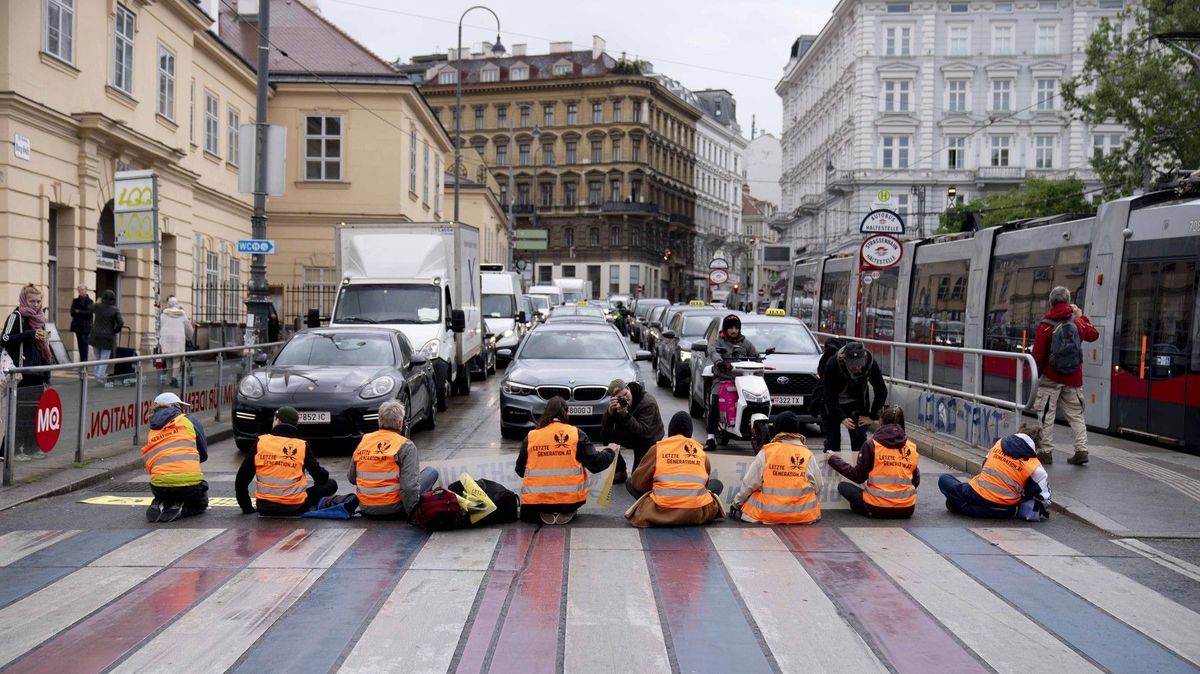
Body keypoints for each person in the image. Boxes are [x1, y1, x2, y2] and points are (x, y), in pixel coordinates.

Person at [516, 397, 618, 525]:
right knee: (566, 502)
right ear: (566, 412)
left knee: (538, 507)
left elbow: (520, 470)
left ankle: (547, 511)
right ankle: (563, 511)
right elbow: (596, 464)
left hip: (536, 502)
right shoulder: (577, 434)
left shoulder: (531, 437)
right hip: (569, 500)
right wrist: (610, 451)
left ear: (546, 412)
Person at [1032, 286, 1099, 465]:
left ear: (1051, 301)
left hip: (1050, 379)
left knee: (1047, 415)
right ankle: (1081, 450)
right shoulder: (1077, 322)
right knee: (1076, 415)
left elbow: (1038, 355)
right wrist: (1080, 316)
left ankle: (1045, 452)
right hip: (1073, 378)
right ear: (1068, 301)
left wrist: (1035, 376)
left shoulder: (1045, 325)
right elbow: (1094, 334)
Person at [626, 411, 724, 527]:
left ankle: (660, 509)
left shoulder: (658, 448)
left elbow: (638, 483)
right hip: (696, 512)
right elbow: (705, 485)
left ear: (671, 430)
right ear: (690, 432)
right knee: (717, 484)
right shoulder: (699, 450)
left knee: (630, 482)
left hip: (661, 510)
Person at [235, 406, 338, 516]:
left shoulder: (261, 442)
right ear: (295, 424)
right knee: (331, 484)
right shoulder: (301, 446)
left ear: (277, 421)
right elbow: (320, 477)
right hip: (295, 507)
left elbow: (242, 479)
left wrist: (247, 508)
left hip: (265, 507)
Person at [938, 424, 1051, 521]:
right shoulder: (1035, 465)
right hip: (1006, 510)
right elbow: (1044, 498)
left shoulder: (1000, 444)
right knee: (977, 504)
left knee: (945, 479)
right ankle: (965, 506)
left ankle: (960, 504)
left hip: (977, 495)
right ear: (1036, 446)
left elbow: (985, 466)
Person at [348, 399, 438, 520]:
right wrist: (414, 515)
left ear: (379, 420)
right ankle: (423, 507)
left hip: (365, 507)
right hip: (394, 508)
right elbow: (409, 487)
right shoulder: (405, 445)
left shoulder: (365, 440)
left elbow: (352, 478)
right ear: (400, 423)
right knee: (430, 472)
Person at [826, 405, 920, 519]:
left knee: (843, 487)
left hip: (877, 506)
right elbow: (915, 481)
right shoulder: (911, 447)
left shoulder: (872, 445)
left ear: (881, 421)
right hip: (907, 509)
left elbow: (857, 476)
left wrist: (833, 459)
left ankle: (867, 510)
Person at [730, 411, 822, 525]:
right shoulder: (807, 454)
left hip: (768, 513)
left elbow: (749, 483)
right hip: (803, 515)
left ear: (777, 429)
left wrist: (736, 503)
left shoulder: (767, 452)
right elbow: (819, 486)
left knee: (752, 494)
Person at [141, 392, 209, 522]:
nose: (183, 410)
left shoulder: (153, 429)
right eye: (181, 407)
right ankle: (181, 509)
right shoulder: (188, 420)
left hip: (158, 485)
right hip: (189, 485)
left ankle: (161, 501)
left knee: (168, 487)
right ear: (175, 406)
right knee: (201, 502)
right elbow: (203, 453)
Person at [3, 285, 54, 458]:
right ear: (24, 300)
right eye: (32, 301)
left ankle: (31, 448)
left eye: (38, 301)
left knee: (35, 413)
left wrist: (47, 374)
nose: (35, 305)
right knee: (19, 413)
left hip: (37, 371)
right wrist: (30, 334)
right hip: (21, 372)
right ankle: (11, 450)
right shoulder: (16, 316)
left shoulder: (40, 319)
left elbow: (45, 349)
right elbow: (4, 339)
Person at [821, 341, 887, 453]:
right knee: (833, 442)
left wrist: (872, 416)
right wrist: (841, 417)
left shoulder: (870, 364)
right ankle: (831, 466)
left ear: (864, 359)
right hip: (834, 403)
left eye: (859, 365)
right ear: (845, 360)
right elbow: (828, 395)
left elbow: (881, 389)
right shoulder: (832, 364)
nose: (857, 369)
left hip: (856, 403)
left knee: (860, 440)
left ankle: (859, 468)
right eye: (853, 366)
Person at [706, 314, 759, 451]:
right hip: (722, 379)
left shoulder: (745, 343)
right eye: (731, 328)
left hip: (743, 380)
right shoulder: (718, 342)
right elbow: (712, 352)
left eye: (736, 328)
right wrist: (721, 362)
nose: (734, 330)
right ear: (725, 329)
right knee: (715, 403)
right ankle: (711, 437)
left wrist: (759, 367)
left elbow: (756, 356)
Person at [600, 378, 664, 484]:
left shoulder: (647, 402)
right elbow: (605, 429)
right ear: (613, 398)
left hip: (648, 439)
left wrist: (625, 414)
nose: (625, 399)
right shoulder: (616, 404)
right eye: (620, 397)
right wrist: (609, 413)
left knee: (637, 479)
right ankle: (619, 470)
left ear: (628, 388)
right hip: (629, 433)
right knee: (606, 435)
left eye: (626, 394)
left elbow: (643, 432)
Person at [158, 297, 195, 387]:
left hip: (166, 340)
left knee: (168, 360)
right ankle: (174, 378)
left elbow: (161, 327)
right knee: (176, 360)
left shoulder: (163, 315)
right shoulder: (182, 314)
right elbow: (188, 329)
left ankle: (171, 379)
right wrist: (189, 337)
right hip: (178, 341)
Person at [90, 289, 124, 384]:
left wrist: (97, 302)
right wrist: (115, 330)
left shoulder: (98, 307)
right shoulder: (115, 309)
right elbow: (120, 322)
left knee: (97, 357)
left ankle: (97, 375)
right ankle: (99, 377)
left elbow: (90, 308)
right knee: (104, 358)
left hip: (95, 335)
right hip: (107, 337)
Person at [69, 285, 93, 363]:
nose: (81, 291)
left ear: (86, 290)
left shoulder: (90, 301)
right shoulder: (75, 301)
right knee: (80, 344)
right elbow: (72, 312)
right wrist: (82, 312)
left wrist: (79, 311)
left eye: (82, 289)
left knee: (84, 343)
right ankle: (82, 361)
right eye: (79, 290)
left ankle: (84, 362)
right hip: (77, 326)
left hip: (86, 326)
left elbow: (89, 313)